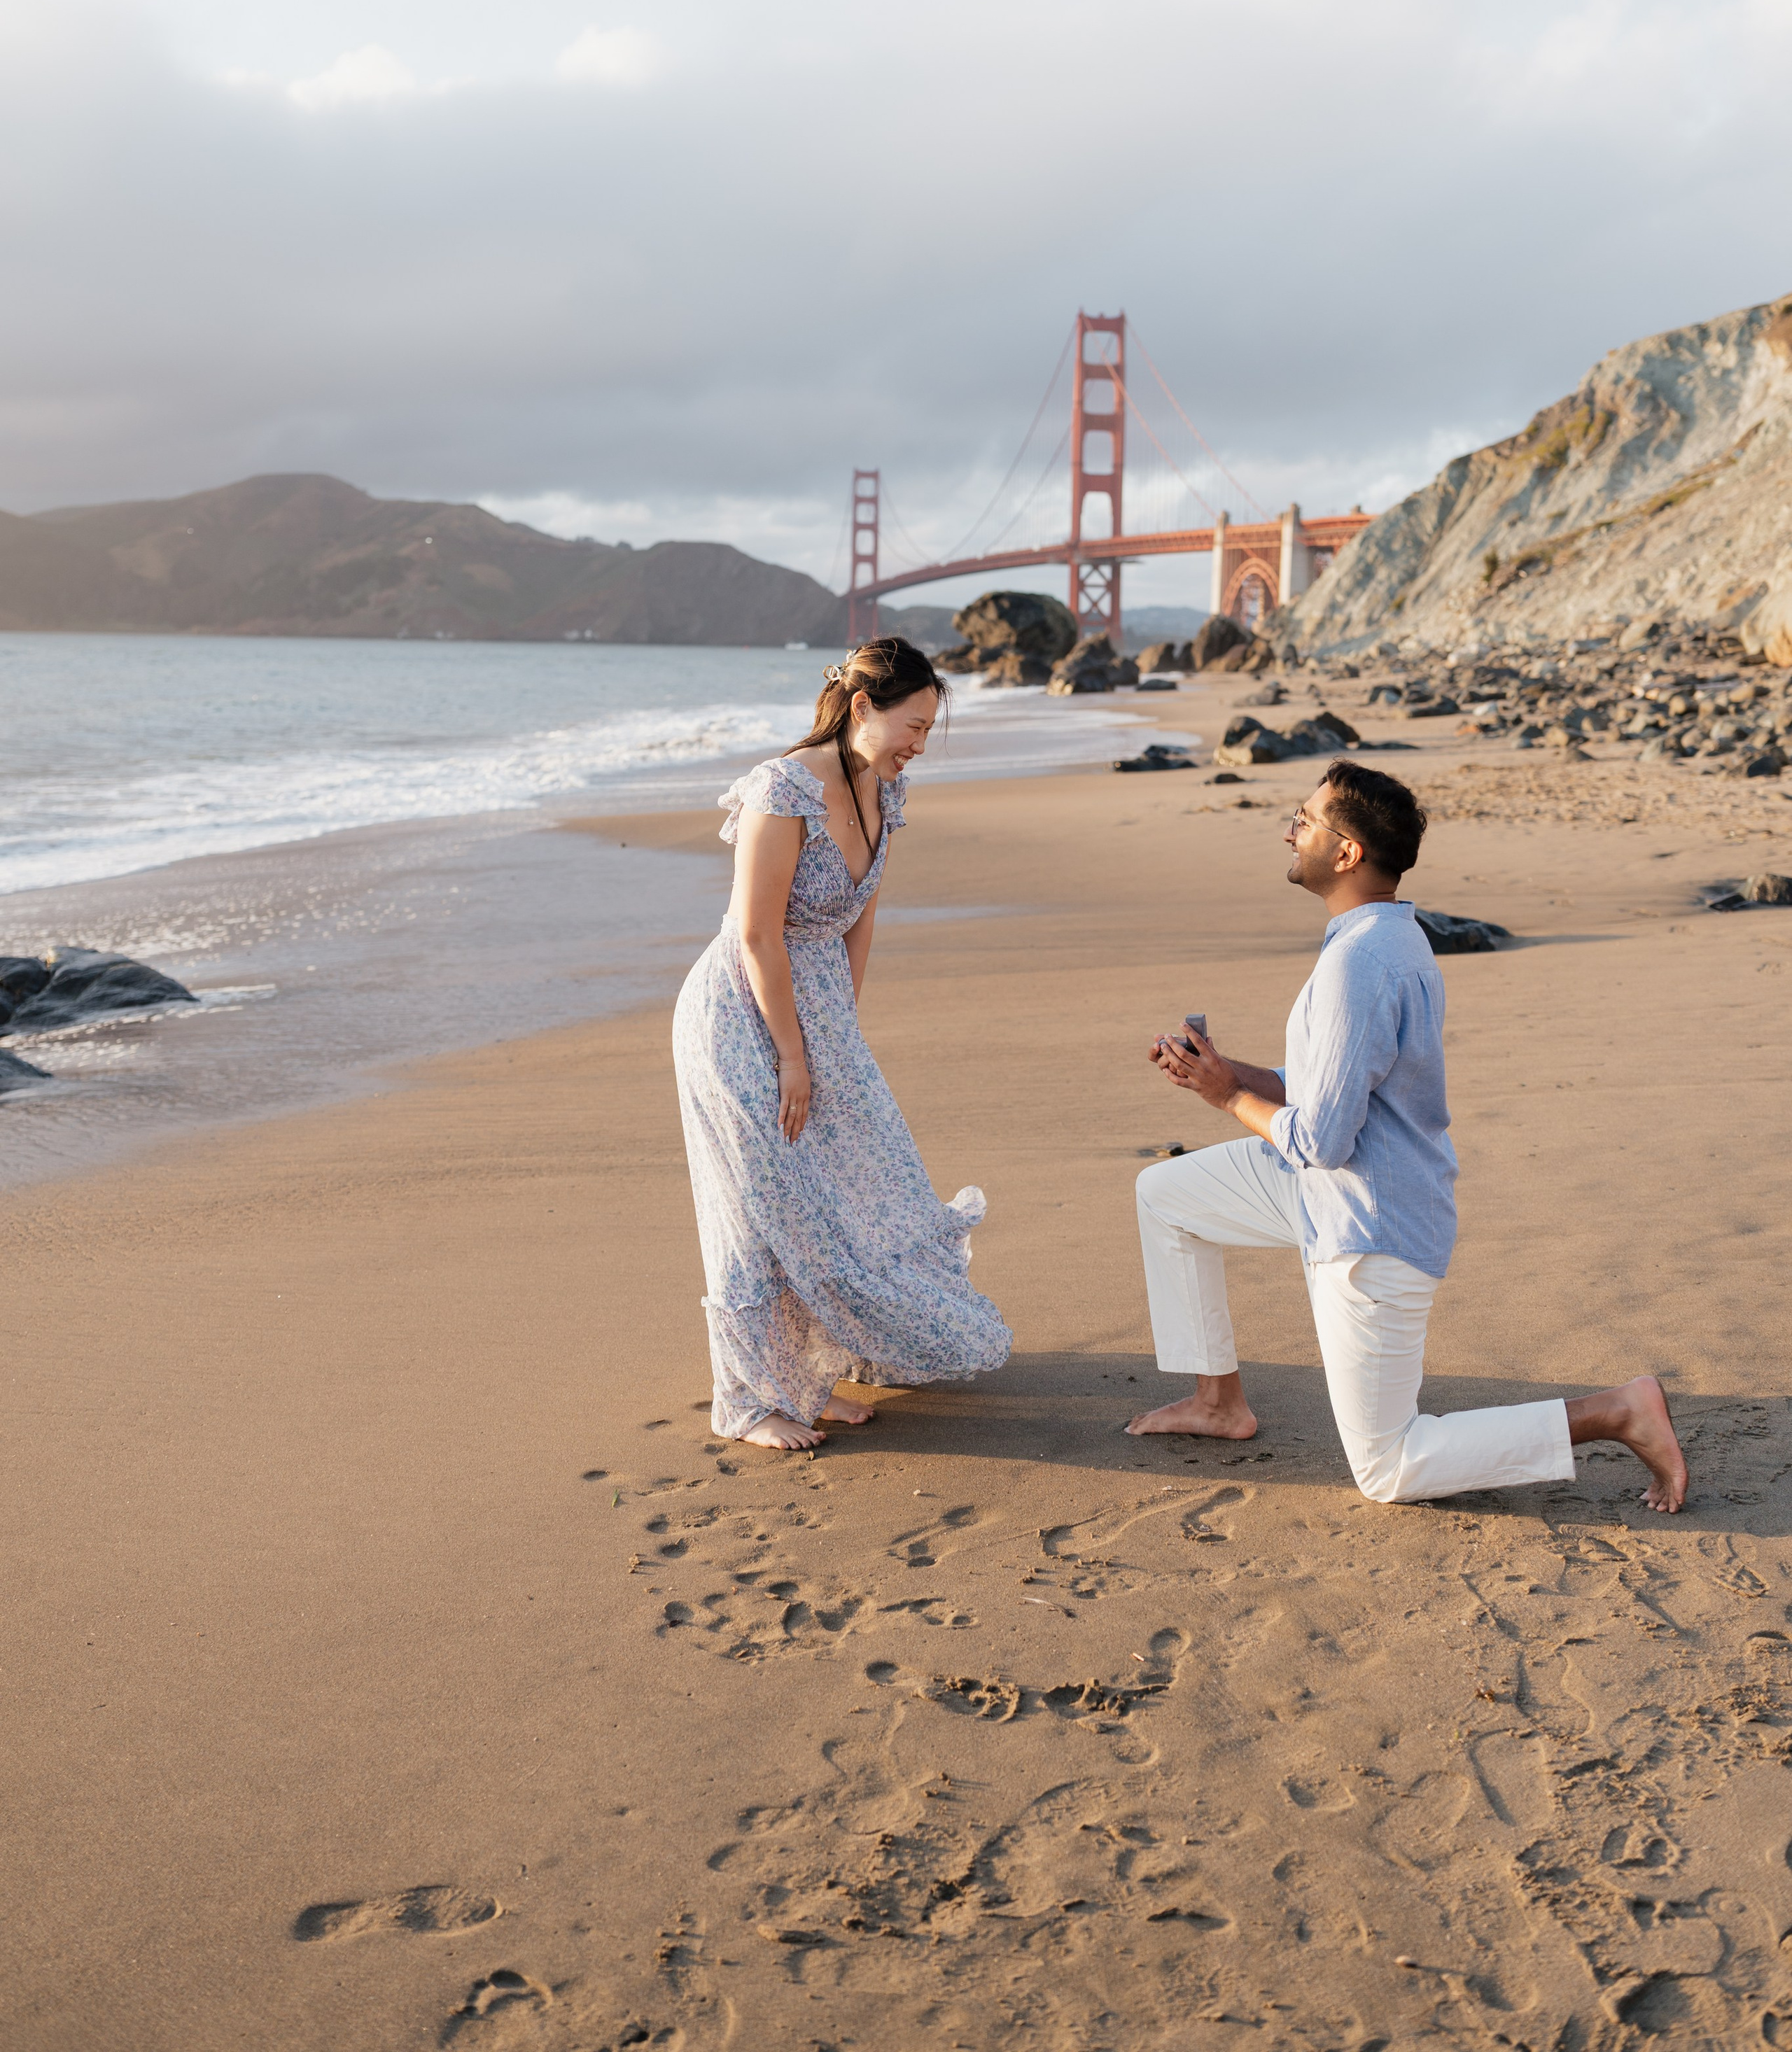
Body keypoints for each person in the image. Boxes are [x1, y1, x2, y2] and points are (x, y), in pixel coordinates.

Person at [1126, 759, 1688, 1514]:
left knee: (1390, 1469)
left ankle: (1615, 1411)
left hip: (1369, 1223)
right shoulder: (1385, 937)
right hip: (1334, 1188)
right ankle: (1217, 1403)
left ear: (1347, 852)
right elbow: (1333, 1088)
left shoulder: (1358, 962)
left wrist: (1224, 1096)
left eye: (1306, 820)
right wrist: (1230, 1072)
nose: (1290, 830)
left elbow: (1321, 1138)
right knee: (1166, 1195)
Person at [673, 635, 1012, 1450]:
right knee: (763, 1203)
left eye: (930, 731)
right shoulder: (781, 790)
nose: (918, 745)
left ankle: (808, 1375)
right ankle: (751, 1401)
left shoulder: (881, 793)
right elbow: (757, 935)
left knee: (847, 1189)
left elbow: (859, 916)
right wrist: (794, 1054)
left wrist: (839, 1035)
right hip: (739, 1016)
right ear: (862, 708)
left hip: (817, 1011)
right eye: (913, 726)